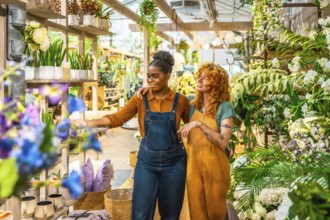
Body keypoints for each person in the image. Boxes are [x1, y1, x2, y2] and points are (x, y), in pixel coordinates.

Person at [77, 51, 190, 220]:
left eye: (155, 76)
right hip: (147, 163)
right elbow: (117, 118)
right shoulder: (140, 98)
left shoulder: (181, 100)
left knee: (171, 214)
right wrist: (87, 123)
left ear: (168, 75)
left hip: (174, 164)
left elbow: (193, 126)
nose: (150, 80)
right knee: (140, 214)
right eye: (148, 76)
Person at [137, 62, 240, 220]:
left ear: (217, 83)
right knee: (196, 213)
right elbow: (167, 96)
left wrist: (199, 124)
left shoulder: (224, 107)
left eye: (206, 78)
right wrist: (149, 90)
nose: (199, 80)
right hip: (193, 169)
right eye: (199, 76)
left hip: (216, 170)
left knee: (216, 213)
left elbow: (224, 142)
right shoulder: (192, 103)